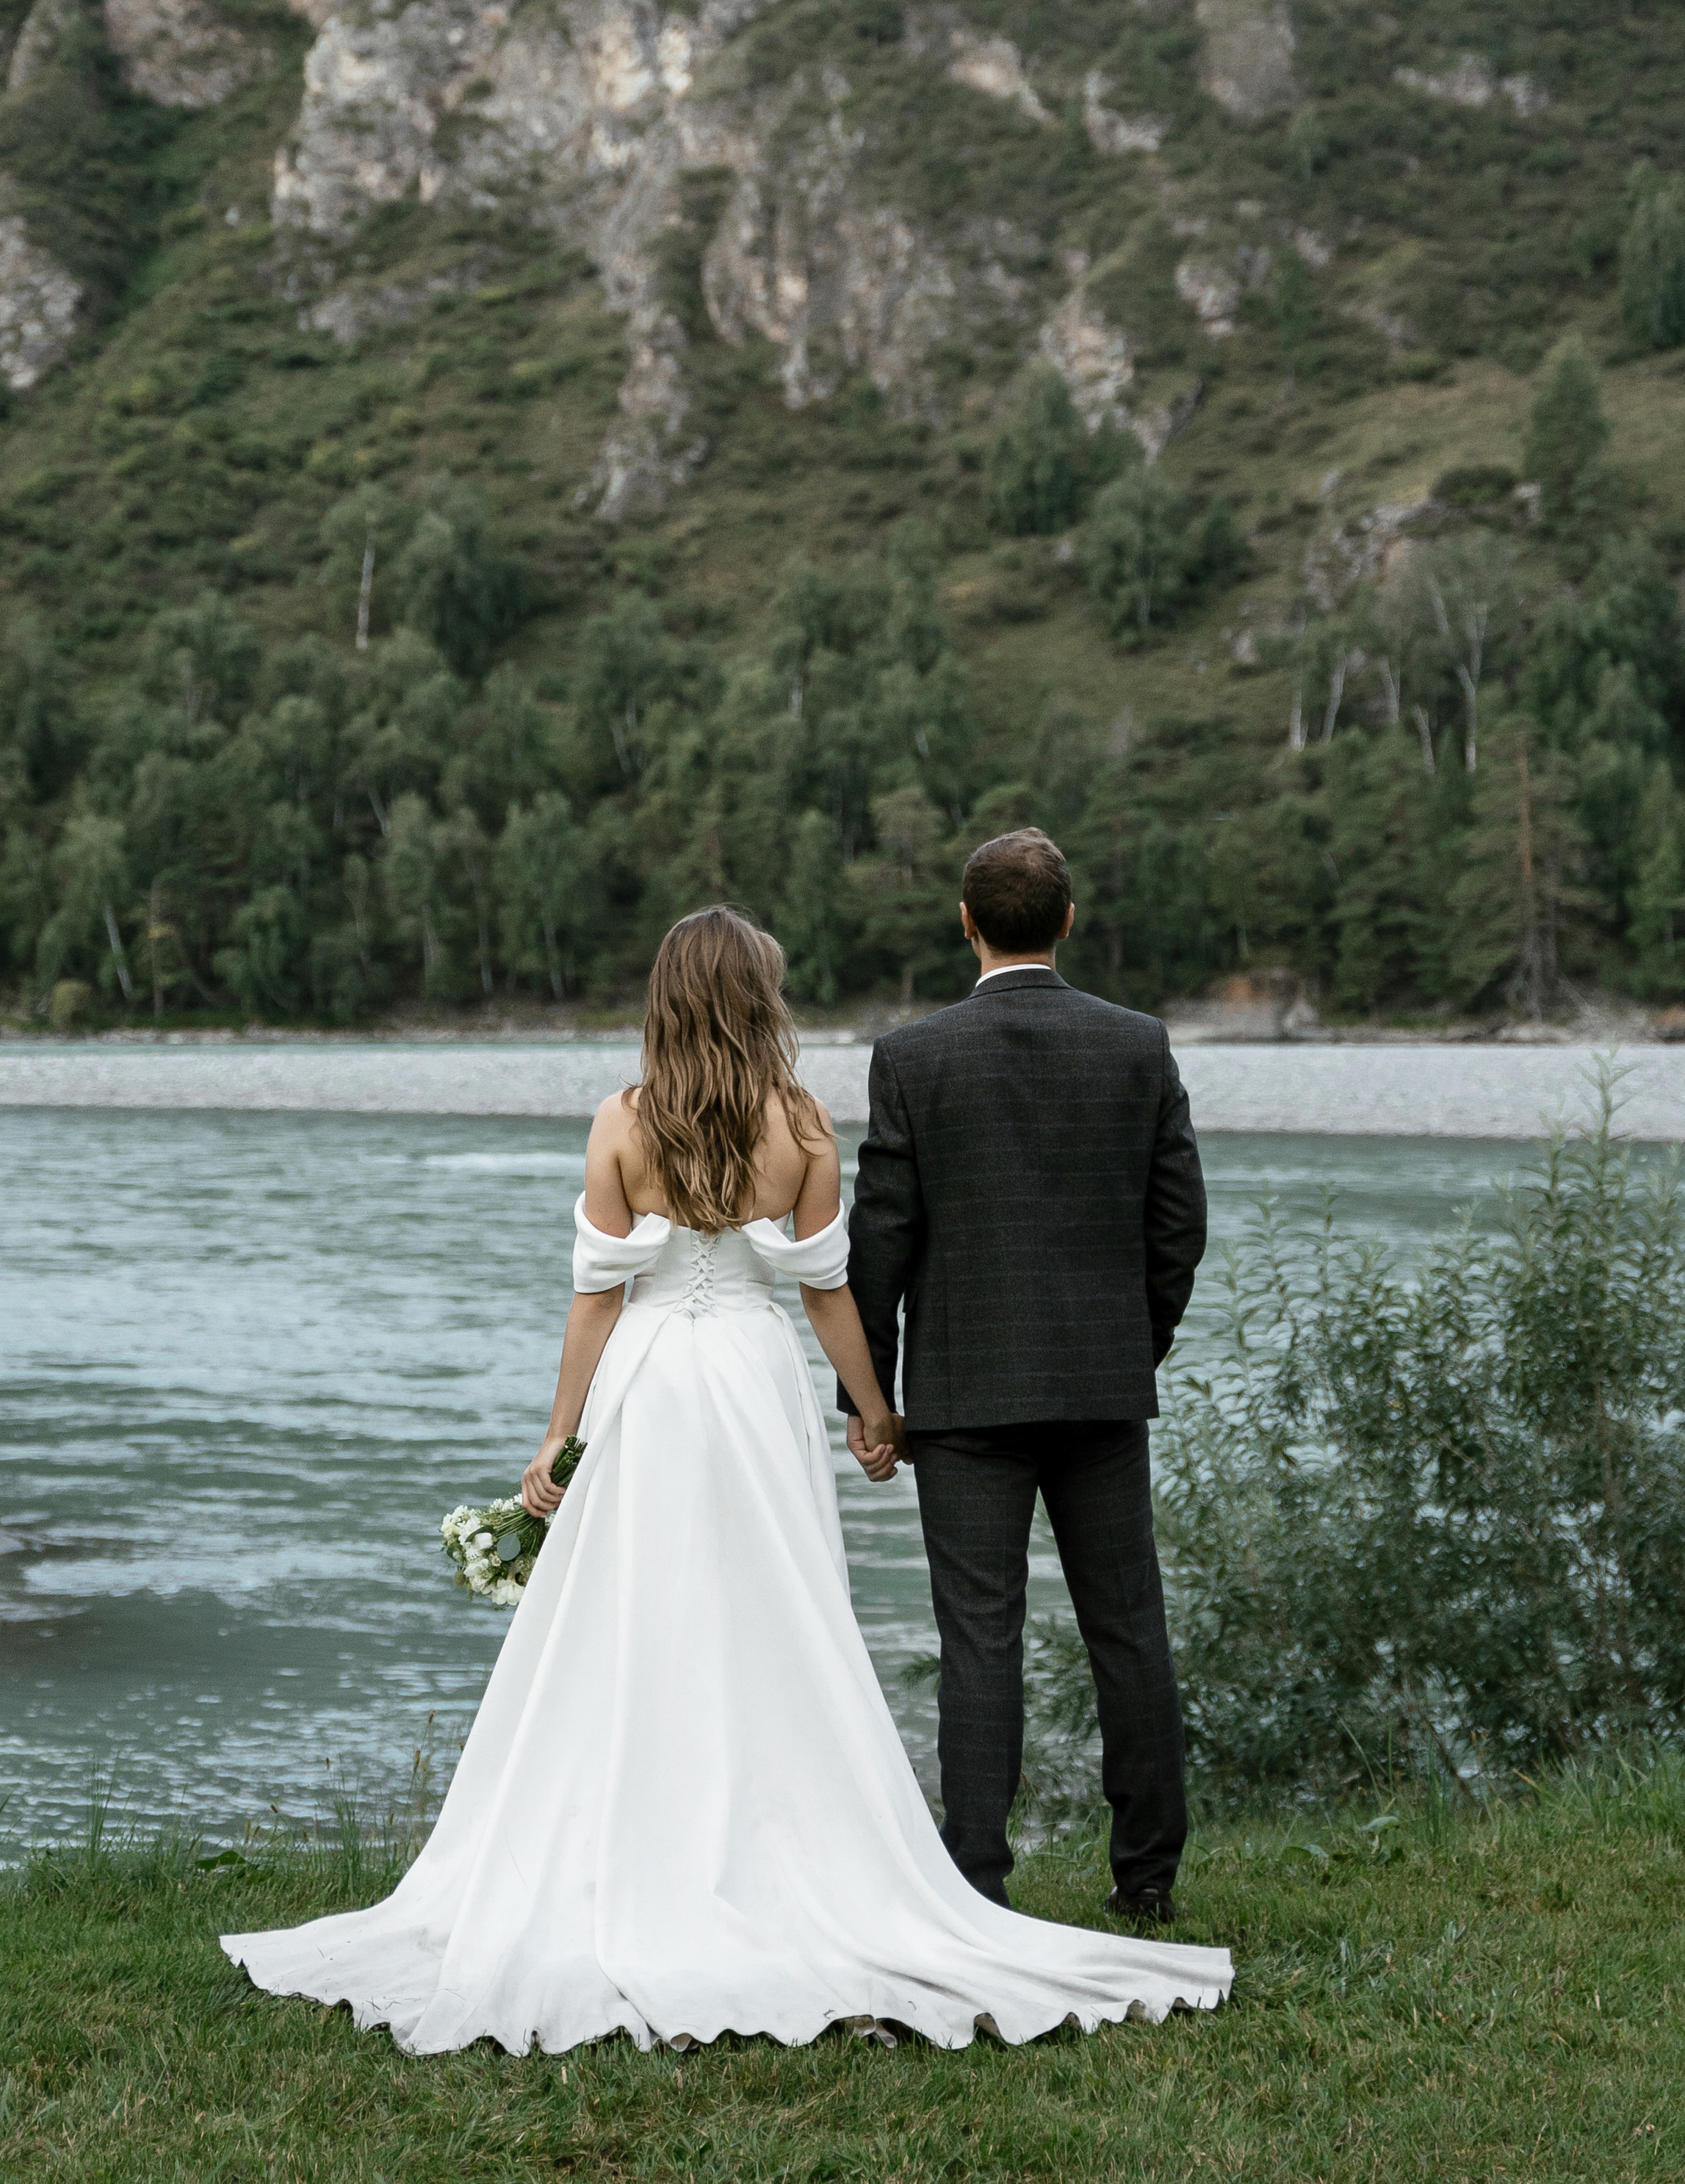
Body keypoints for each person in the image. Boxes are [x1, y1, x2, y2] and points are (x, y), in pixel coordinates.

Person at [221, 907, 1230, 2053]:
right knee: (775, 1612)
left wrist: (557, 1437)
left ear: (664, 997)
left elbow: (598, 1294)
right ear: (760, 997)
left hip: (650, 1387)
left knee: (633, 1617)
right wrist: (875, 1411)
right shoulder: (798, 1123)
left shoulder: (623, 1121)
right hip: (753, 1385)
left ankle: (634, 1845)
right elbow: (827, 1290)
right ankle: (806, 1849)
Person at [844, 826, 1208, 1924]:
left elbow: (882, 1241)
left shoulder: (912, 1057)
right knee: (1129, 1629)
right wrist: (1129, 1349)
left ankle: (977, 1888)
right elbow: (1178, 1228)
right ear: (1067, 920)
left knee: (978, 1639)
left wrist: (876, 1402)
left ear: (965, 923)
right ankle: (1146, 1883)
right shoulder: (1138, 1044)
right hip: (1101, 1388)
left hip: (963, 1398)